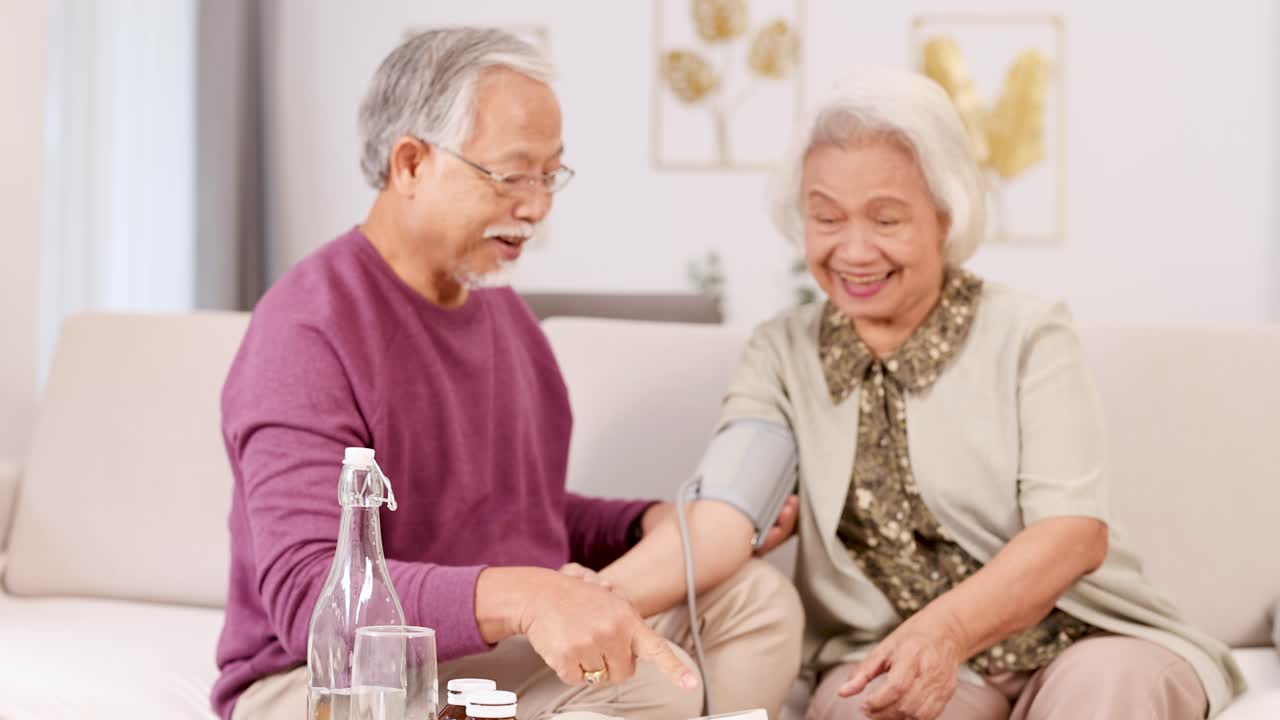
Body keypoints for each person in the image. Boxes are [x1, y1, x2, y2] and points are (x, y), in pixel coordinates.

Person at [608, 68, 1246, 719]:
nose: (853, 250)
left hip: (1081, 636)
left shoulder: (1028, 332)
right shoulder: (782, 351)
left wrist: (943, 633)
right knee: (867, 707)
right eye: (826, 217)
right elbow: (724, 512)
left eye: (886, 219)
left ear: (947, 215)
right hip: (882, 649)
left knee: (1110, 693)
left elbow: (1072, 534)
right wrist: (595, 596)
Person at [210, 28, 803, 720]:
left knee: (755, 601)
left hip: (474, 654)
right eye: (512, 174)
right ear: (410, 163)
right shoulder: (308, 329)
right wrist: (532, 597)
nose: (538, 206)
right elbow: (310, 591)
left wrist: (644, 524)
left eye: (550, 175)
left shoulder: (507, 322)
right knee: (639, 683)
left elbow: (515, 510)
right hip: (330, 678)